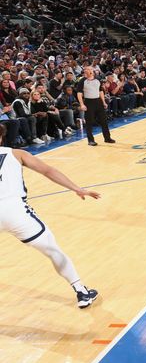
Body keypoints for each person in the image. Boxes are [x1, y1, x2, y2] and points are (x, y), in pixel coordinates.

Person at [0, 124, 100, 308]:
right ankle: (81, 291)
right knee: (52, 251)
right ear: (1, 137)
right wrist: (77, 189)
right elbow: (48, 171)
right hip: (15, 212)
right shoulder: (16, 154)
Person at [76, 67, 114, 147]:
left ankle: (107, 138)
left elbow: (100, 91)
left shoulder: (97, 79)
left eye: (88, 70)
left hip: (98, 101)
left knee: (104, 121)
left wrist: (103, 102)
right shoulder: (82, 81)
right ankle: (90, 140)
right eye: (86, 70)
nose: (86, 71)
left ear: (92, 71)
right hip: (88, 102)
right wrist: (82, 104)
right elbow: (79, 93)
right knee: (89, 122)